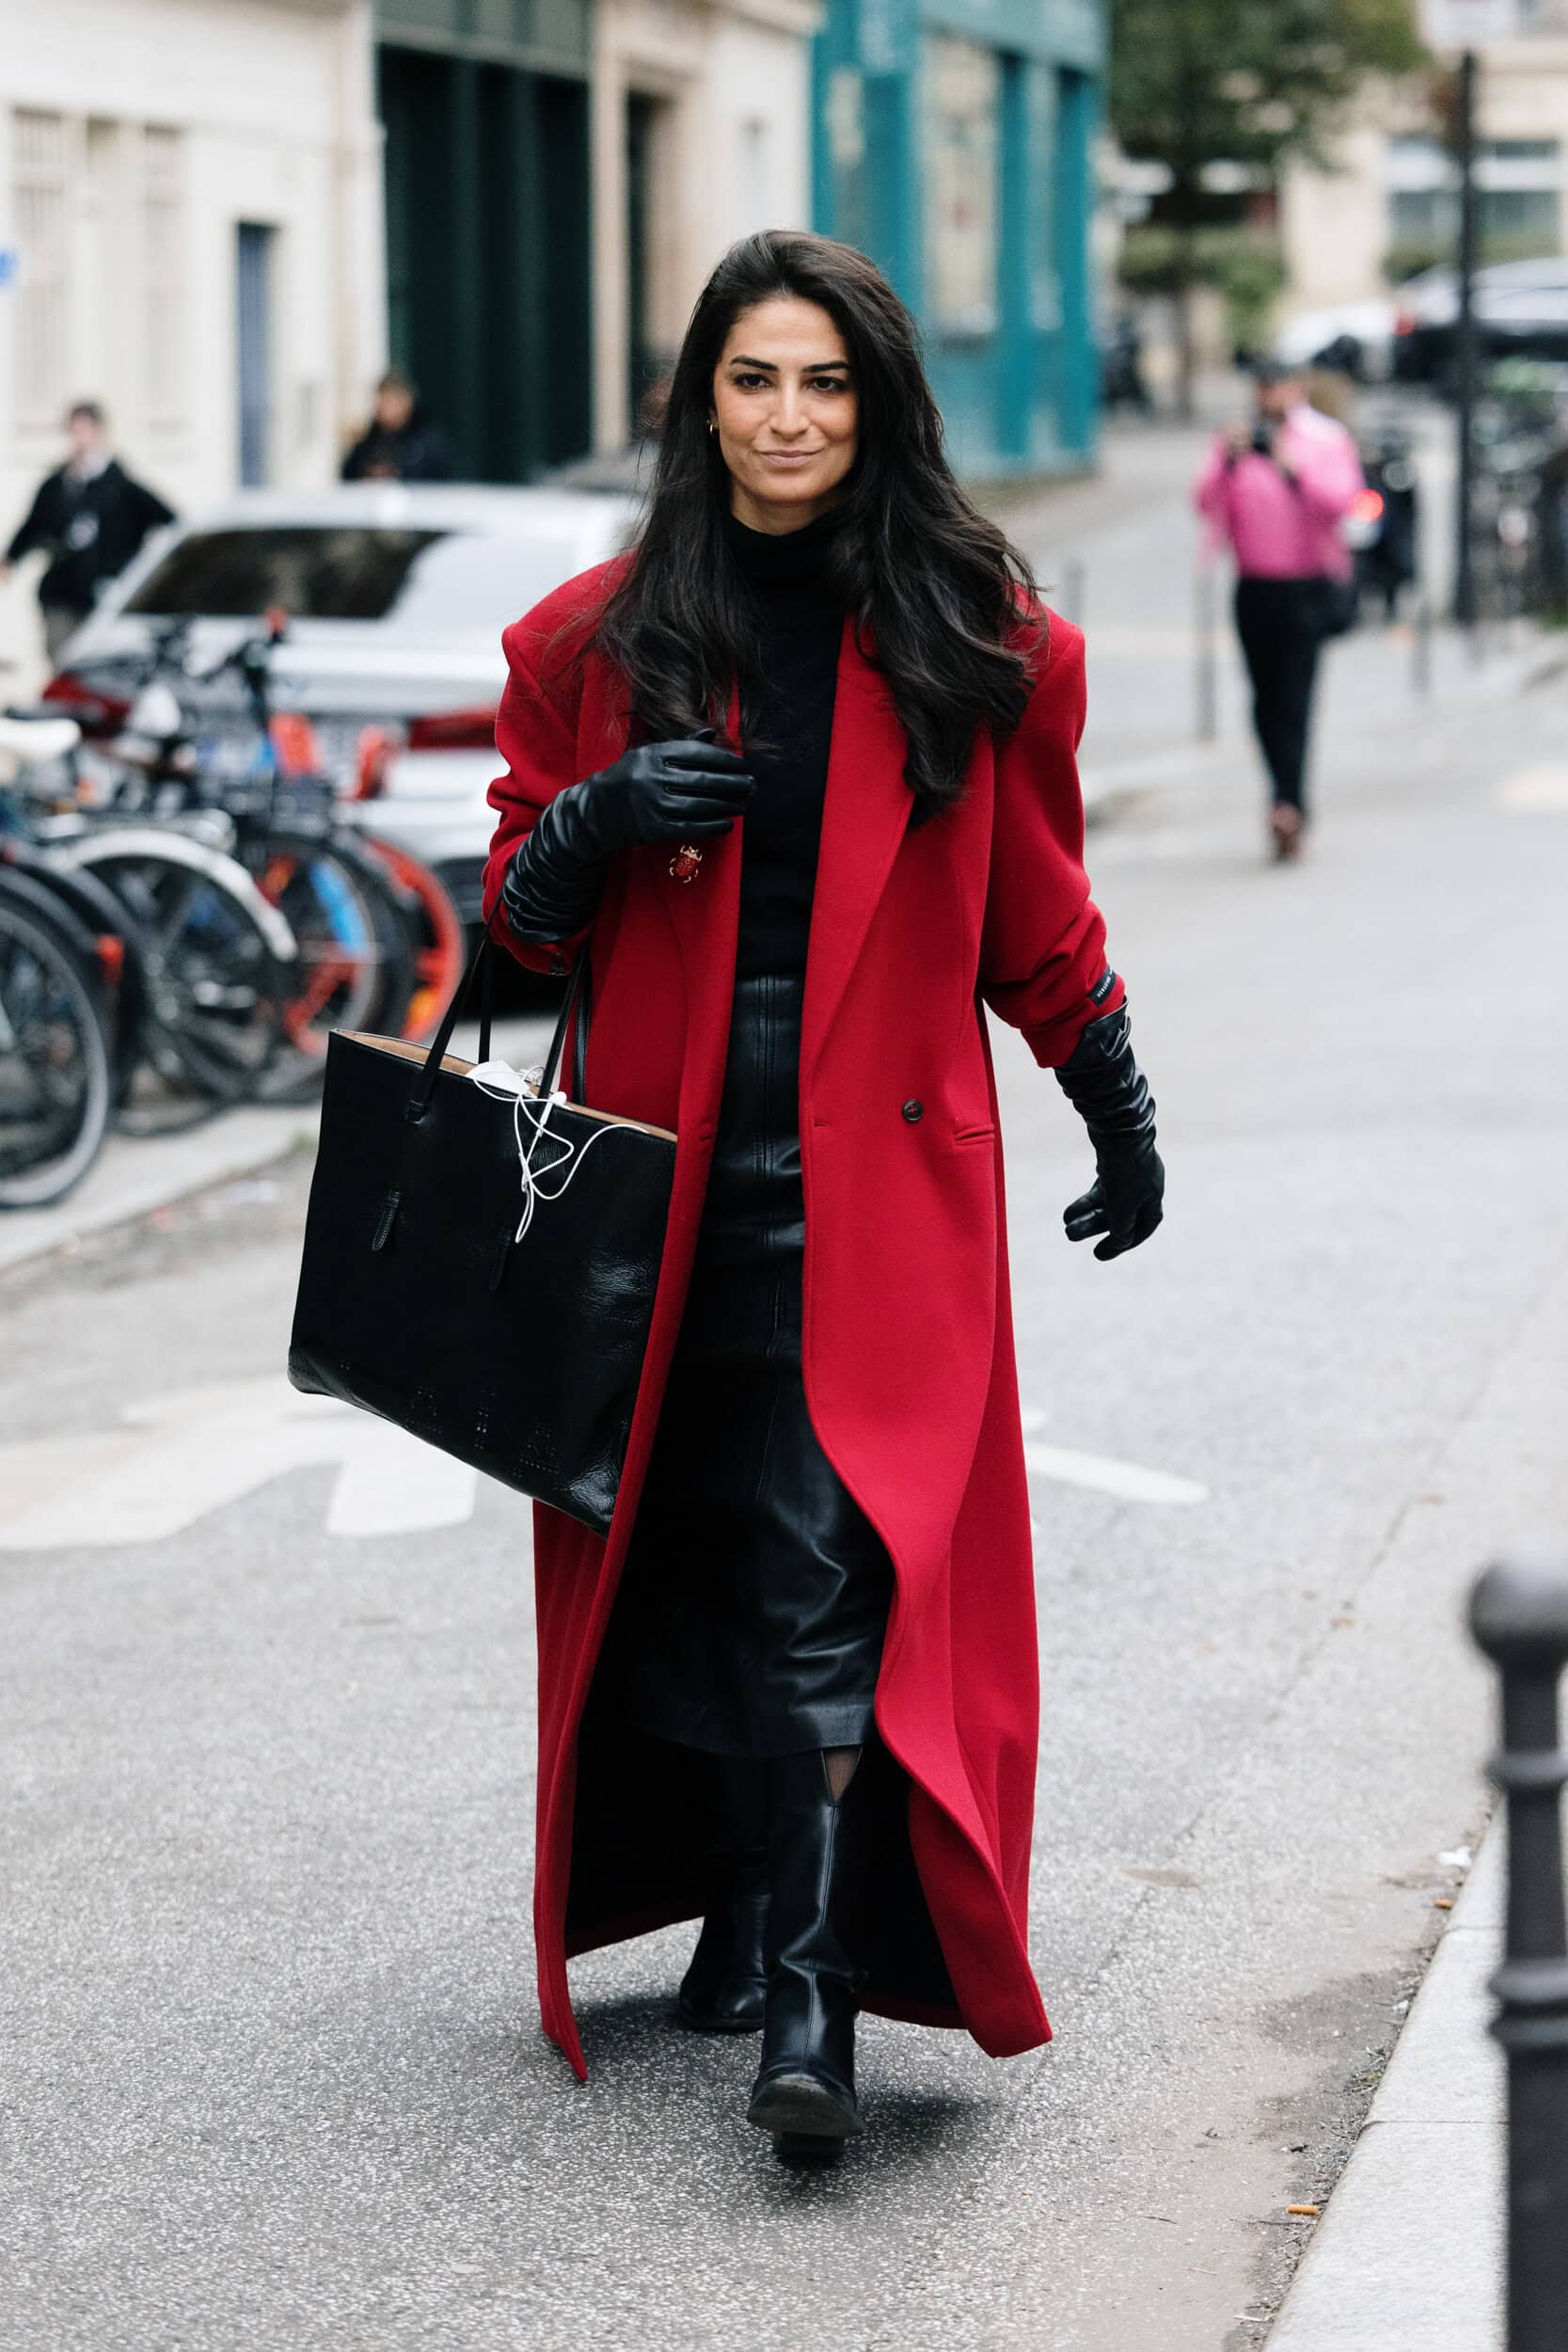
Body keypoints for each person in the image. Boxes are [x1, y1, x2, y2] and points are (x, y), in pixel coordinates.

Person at [483, 230, 1164, 2156]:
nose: (787, 416)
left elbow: (1034, 913)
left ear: (875, 404)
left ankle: (811, 2000)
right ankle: (734, 1906)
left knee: (809, 1568)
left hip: (868, 1192)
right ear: (698, 396)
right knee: (688, 1545)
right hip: (648, 1196)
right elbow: (514, 941)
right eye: (753, 378)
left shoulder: (978, 639)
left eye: (825, 382)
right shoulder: (588, 644)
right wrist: (601, 819)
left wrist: (1111, 1103)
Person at [1195, 360, 1364, 860]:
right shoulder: (1238, 440)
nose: (1269, 396)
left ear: (1296, 388)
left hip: (1307, 586)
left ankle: (1289, 803)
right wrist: (1228, 462)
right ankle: (1283, 796)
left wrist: (1291, 467)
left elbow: (1343, 503)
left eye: (1278, 386)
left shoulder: (1325, 439)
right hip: (1253, 587)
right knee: (1263, 698)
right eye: (1262, 387)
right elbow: (1206, 505)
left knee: (1294, 697)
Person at [2, 402, 175, 663]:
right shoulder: (58, 485)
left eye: (84, 430)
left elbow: (168, 520)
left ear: (98, 432)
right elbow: (33, 525)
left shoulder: (121, 487)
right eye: (73, 431)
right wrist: (11, 559)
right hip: (63, 592)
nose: (78, 439)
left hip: (105, 594)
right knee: (63, 659)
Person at [341, 370, 455, 483]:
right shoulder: (370, 441)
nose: (381, 408)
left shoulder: (428, 444)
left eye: (388, 401)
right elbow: (349, 474)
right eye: (380, 401)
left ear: (406, 402)